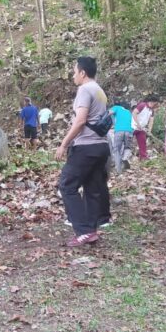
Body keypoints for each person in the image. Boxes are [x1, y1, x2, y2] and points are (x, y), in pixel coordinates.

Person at [55, 57, 110, 246]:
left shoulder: (84, 89)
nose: (73, 76)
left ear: (82, 73)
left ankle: (83, 231)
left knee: (67, 185)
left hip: (86, 147)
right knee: (92, 188)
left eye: (74, 72)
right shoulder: (100, 90)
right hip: (101, 146)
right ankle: (92, 230)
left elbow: (80, 121)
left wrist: (63, 144)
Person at [131, 95, 160, 160]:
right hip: (133, 126)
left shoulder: (151, 111)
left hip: (142, 129)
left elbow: (151, 121)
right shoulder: (142, 105)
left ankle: (143, 157)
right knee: (128, 141)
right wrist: (137, 123)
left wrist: (149, 130)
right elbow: (134, 113)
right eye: (157, 104)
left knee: (143, 143)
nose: (157, 106)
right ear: (153, 102)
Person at [109, 100, 133, 173]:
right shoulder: (129, 112)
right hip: (129, 131)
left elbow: (109, 113)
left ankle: (118, 170)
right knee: (127, 147)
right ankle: (125, 158)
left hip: (119, 130)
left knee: (116, 150)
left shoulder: (116, 107)